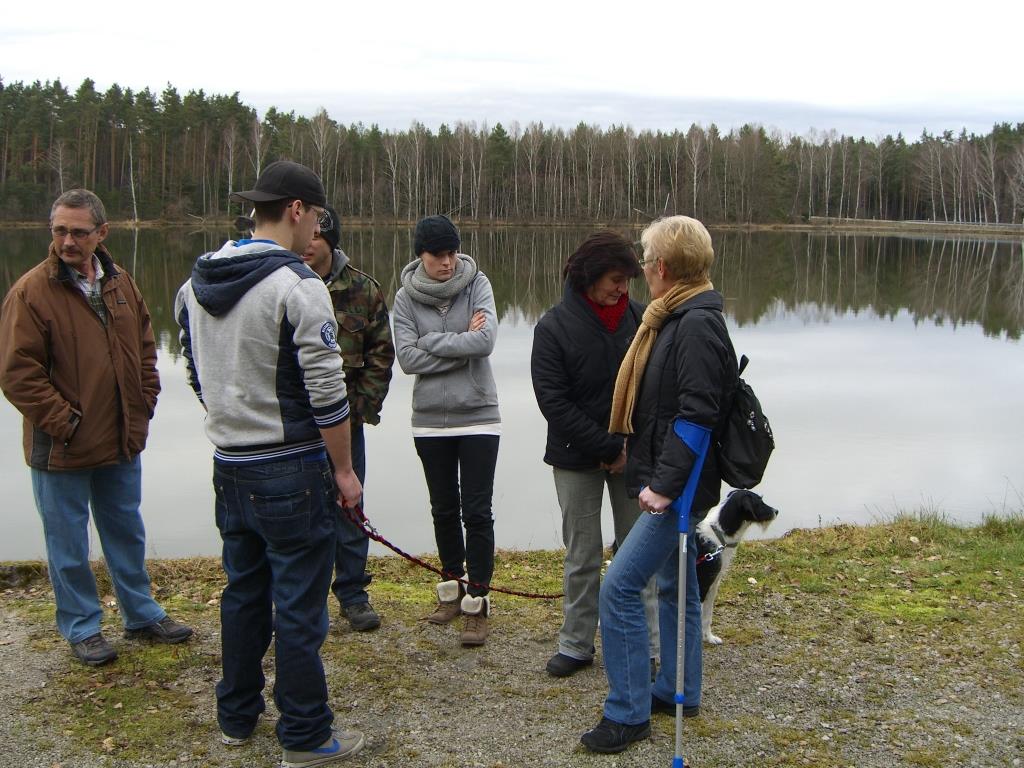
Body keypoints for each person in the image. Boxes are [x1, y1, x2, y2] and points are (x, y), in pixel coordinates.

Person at [175, 161, 365, 766]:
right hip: (291, 468)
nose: (318, 232)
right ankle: (305, 735)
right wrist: (344, 472)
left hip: (229, 464)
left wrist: (231, 419)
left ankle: (236, 717)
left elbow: (195, 371)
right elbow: (328, 394)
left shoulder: (196, 282)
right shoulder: (297, 286)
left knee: (243, 593)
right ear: (296, 211)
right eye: (317, 218)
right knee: (300, 607)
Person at [0, 189, 193, 667]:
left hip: (121, 438)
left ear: (101, 233)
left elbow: (146, 349)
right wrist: (66, 423)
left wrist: (144, 404)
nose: (67, 241)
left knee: (126, 531)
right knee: (67, 544)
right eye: (60, 231)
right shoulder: (30, 292)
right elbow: (18, 374)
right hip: (61, 446)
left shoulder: (121, 283)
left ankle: (141, 615)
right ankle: (83, 627)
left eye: (78, 232)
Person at [581, 215, 738, 754]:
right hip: (674, 479)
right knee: (676, 584)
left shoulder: (694, 325)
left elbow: (697, 415)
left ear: (663, 267)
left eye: (646, 262)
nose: (643, 270)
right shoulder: (678, 316)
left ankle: (627, 713)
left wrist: (666, 487)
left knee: (620, 588)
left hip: (679, 489)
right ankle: (677, 690)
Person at [530, 231, 660, 678]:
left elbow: (654, 392)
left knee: (638, 555)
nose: (622, 289)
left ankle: (644, 646)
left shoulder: (644, 321)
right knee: (582, 555)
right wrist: (606, 447)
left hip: (633, 457)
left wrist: (630, 449)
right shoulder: (552, 327)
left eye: (627, 280)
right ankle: (576, 644)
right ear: (589, 276)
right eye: (614, 280)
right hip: (575, 458)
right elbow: (553, 402)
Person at [392, 215, 500, 647]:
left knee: (477, 511)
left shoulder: (478, 284)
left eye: (452, 252)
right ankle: (451, 590)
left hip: (479, 415)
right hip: (430, 421)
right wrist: (459, 341)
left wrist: (430, 342)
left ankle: (478, 602)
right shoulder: (404, 297)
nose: (448, 262)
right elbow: (406, 359)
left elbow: (485, 342)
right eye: (438, 255)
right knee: (443, 509)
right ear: (421, 254)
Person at [301, 205, 395, 632]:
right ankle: (303, 597)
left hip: (345, 423)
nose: (307, 244)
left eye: (316, 237)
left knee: (350, 506)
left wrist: (359, 412)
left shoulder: (363, 289)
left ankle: (353, 594)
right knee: (299, 513)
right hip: (294, 428)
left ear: (330, 241)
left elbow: (381, 354)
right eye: (305, 235)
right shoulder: (283, 284)